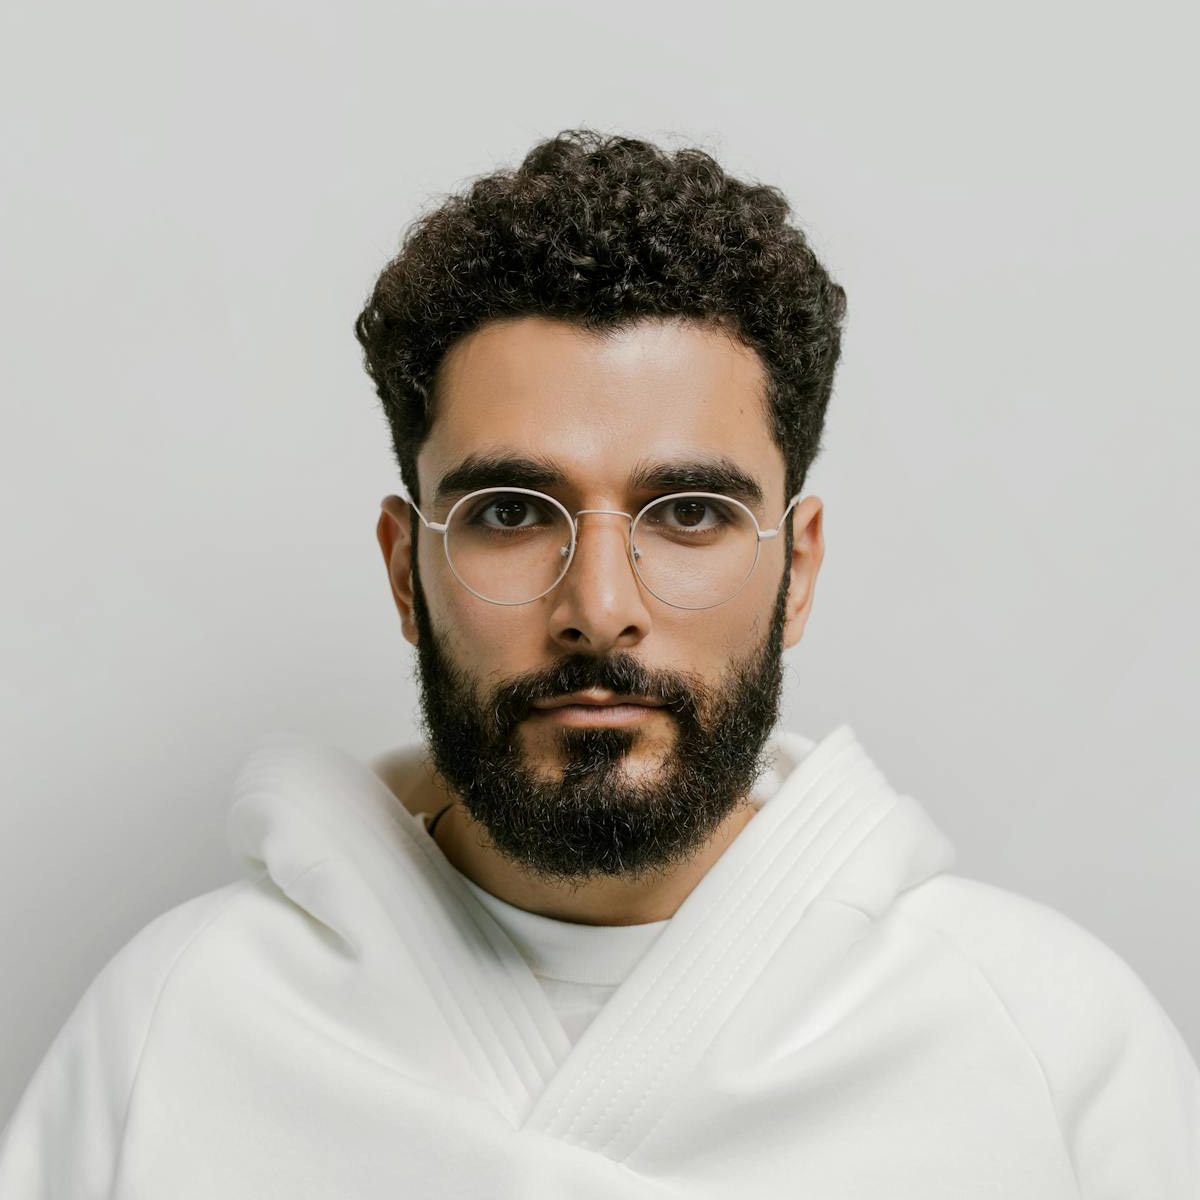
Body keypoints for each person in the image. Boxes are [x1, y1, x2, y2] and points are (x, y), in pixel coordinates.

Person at [1, 130, 1196, 1199]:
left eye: (690, 513)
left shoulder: (1050, 1040)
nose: (601, 610)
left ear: (799, 570)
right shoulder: (174, 1030)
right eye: (511, 513)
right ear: (406, 571)